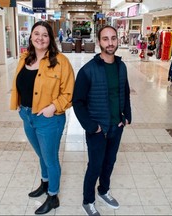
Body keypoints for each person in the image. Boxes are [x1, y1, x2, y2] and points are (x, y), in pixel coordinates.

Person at [10, 21, 75, 215]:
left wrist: (53, 107)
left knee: (50, 159)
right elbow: (20, 84)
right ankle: (45, 184)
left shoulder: (60, 61)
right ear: (31, 37)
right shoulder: (24, 59)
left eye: (45, 34)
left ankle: (53, 196)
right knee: (42, 155)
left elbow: (69, 92)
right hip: (27, 116)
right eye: (36, 33)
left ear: (50, 39)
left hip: (49, 119)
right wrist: (20, 104)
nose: (40, 38)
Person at [72, 25, 132, 215]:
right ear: (99, 42)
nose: (110, 42)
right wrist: (91, 126)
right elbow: (78, 102)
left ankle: (103, 190)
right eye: (105, 39)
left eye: (113, 38)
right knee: (95, 166)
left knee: (110, 162)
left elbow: (125, 92)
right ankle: (87, 201)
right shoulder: (87, 71)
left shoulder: (121, 66)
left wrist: (127, 115)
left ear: (118, 40)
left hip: (116, 126)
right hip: (98, 129)